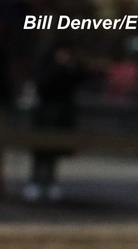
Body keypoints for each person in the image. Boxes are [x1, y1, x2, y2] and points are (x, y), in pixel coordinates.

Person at [24, 43, 90, 203]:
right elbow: (42, 85)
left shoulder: (70, 69)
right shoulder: (48, 69)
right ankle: (35, 182)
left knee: (54, 152)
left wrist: (71, 66)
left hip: (61, 116)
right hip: (45, 116)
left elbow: (82, 77)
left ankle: (50, 182)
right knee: (40, 151)